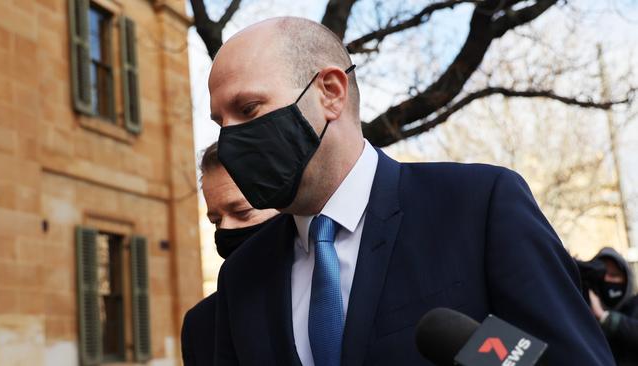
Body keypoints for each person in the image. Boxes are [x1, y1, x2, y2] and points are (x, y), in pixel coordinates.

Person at [209, 17, 614, 365]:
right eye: (219, 122)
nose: (230, 142)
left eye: (248, 110)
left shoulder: (479, 207)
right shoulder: (241, 278)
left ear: (330, 92)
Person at [181, 142, 278, 366]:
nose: (226, 229)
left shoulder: (331, 289)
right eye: (216, 221)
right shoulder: (202, 325)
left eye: (242, 212)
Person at [588, 247, 638, 366]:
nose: (607, 280)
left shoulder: (635, 306)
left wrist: (604, 316)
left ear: (626, 280)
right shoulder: (585, 309)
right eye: (602, 274)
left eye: (614, 275)